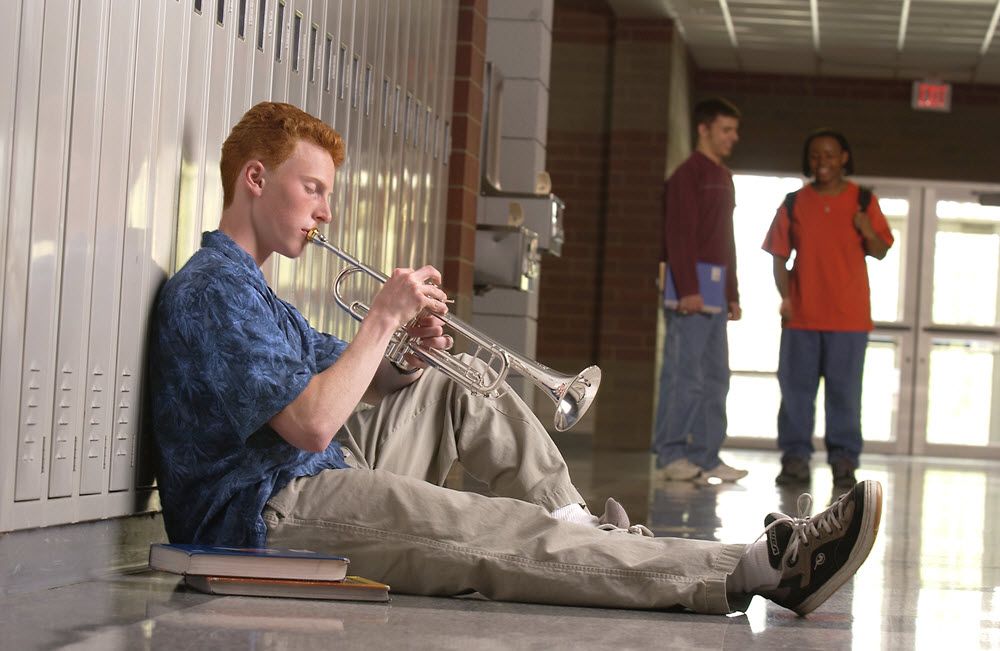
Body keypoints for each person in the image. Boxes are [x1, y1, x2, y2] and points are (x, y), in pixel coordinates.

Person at [150, 101, 883, 616]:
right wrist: (383, 318)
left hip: (313, 474)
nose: (326, 212)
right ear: (254, 178)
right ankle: (756, 567)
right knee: (491, 533)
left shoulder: (258, 293)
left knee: (459, 382)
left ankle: (578, 520)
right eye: (313, 189)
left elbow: (351, 384)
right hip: (268, 516)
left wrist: (409, 356)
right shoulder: (211, 290)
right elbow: (312, 423)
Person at [762, 128, 893, 489]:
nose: (823, 162)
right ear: (809, 160)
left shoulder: (864, 200)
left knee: (845, 394)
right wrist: (785, 297)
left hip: (849, 319)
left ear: (844, 158)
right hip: (802, 317)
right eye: (816, 155)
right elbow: (778, 256)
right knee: (796, 393)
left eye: (830, 154)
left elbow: (881, 249)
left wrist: (866, 228)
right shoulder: (793, 202)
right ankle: (795, 460)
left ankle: (844, 461)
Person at [653, 97, 748, 484]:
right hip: (689, 295)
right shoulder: (687, 175)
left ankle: (707, 456)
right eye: (726, 130)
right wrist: (690, 288)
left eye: (734, 131)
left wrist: (733, 293)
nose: (733, 137)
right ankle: (671, 454)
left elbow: (725, 240)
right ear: (704, 129)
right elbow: (680, 235)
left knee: (715, 377)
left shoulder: (723, 176)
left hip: (714, 294)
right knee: (684, 376)